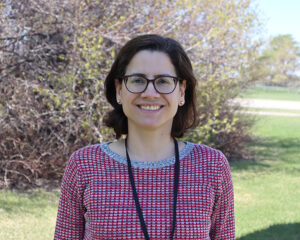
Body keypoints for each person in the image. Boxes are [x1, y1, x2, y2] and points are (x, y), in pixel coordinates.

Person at [54, 34, 235, 240]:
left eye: (164, 81)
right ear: (119, 90)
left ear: (182, 92)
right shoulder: (84, 165)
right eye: (138, 80)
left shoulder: (212, 165)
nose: (150, 93)